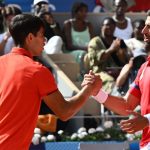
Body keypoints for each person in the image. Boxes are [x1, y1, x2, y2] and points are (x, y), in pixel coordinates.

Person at [0, 14, 101, 150]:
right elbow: (64, 112)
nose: (44, 41)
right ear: (30, 38)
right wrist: (88, 89)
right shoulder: (37, 71)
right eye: (42, 36)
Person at [82, 11, 150, 150]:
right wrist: (97, 93)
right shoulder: (144, 68)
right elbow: (126, 105)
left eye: (149, 26)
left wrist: (147, 120)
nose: (143, 30)